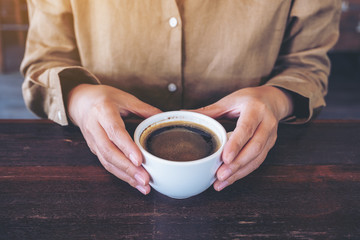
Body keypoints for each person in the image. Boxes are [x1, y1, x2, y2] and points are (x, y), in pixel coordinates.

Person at [21, 0, 341, 195]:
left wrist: (274, 100)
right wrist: (81, 99)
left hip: (251, 171)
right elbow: (44, 63)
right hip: (101, 170)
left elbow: (307, 65)